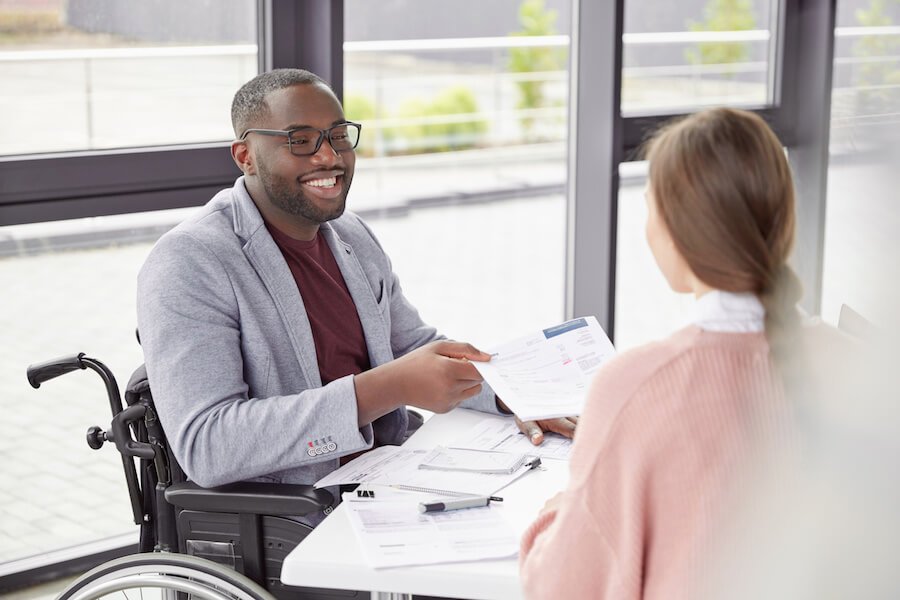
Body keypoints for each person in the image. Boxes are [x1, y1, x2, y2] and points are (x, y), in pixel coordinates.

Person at [136, 68, 572, 525]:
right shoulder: (189, 261)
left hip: (393, 479)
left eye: (338, 136)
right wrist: (390, 387)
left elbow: (410, 347)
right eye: (300, 140)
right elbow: (208, 445)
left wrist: (514, 397)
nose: (329, 157)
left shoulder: (350, 234)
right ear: (245, 156)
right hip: (300, 513)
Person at [518, 107, 848, 598]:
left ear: (673, 228)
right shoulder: (862, 368)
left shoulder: (633, 385)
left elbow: (559, 586)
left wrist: (562, 507)